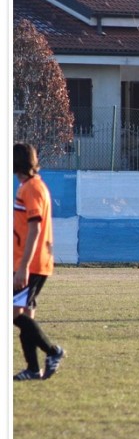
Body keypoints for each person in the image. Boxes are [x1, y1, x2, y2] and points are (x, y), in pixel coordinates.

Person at [13, 142, 65, 381]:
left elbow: (35, 228)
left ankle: (53, 352)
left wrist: (23, 266)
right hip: (32, 262)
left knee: (13, 314)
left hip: (30, 264)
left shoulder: (31, 188)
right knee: (26, 315)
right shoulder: (31, 185)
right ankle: (33, 369)